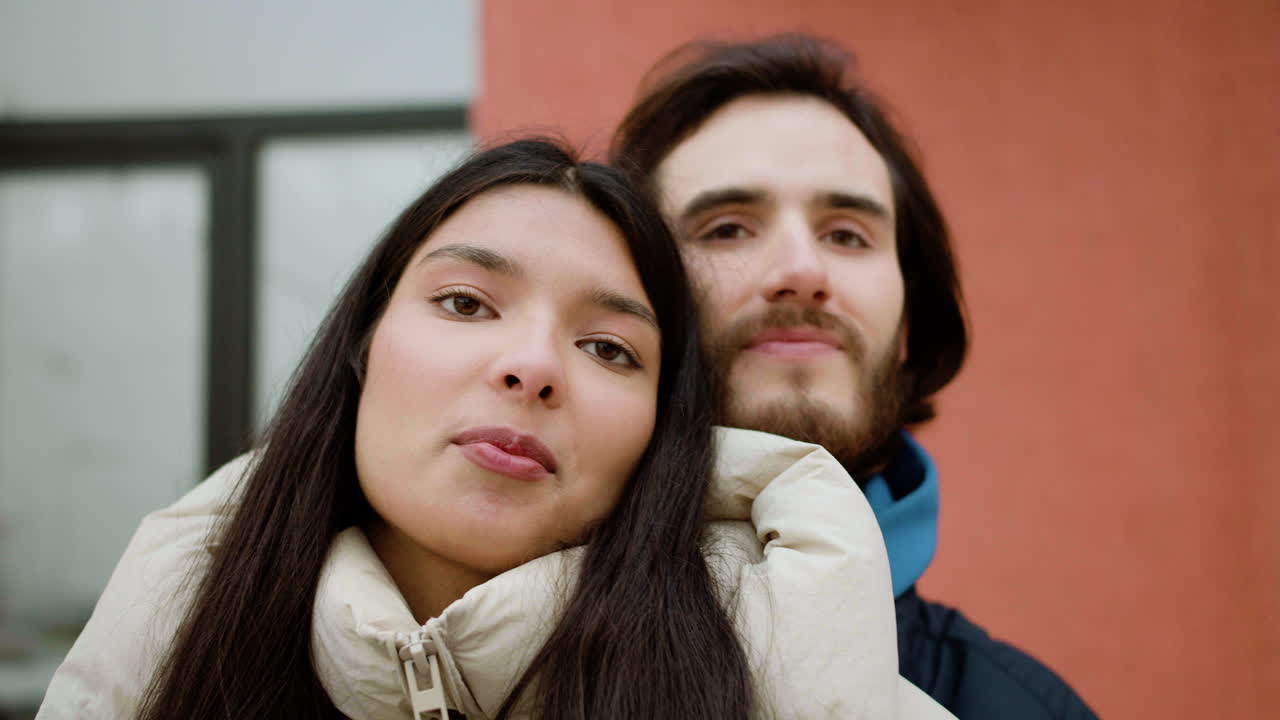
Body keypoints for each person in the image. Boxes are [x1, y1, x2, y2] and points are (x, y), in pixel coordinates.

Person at [38, 139, 954, 719]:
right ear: (360, 348)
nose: (535, 365)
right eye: (467, 302)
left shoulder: (776, 678)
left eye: (609, 347)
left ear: (664, 435)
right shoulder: (172, 649)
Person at [610, 35, 1098, 719]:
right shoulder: (466, 649)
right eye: (726, 229)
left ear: (907, 322)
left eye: (847, 235)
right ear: (628, 297)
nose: (802, 273)